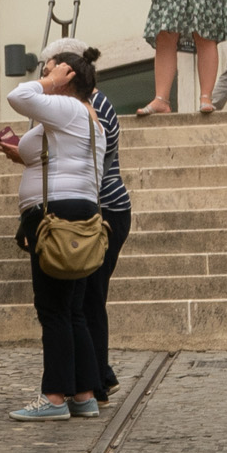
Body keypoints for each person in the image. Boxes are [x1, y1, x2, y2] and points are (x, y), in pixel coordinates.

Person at [0, 46, 105, 420]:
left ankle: (55, 397)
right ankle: (85, 394)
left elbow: (18, 96)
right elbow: (50, 157)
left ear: (68, 77)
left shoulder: (68, 108)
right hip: (78, 212)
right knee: (72, 309)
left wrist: (49, 82)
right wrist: (20, 153)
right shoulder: (87, 118)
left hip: (56, 215)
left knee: (53, 309)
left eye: (52, 70)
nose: (45, 75)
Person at [81, 73, 132, 404]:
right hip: (107, 207)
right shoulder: (90, 104)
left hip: (104, 209)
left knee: (90, 297)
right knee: (90, 298)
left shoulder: (92, 106)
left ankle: (97, 381)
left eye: (49, 69)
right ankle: (101, 375)